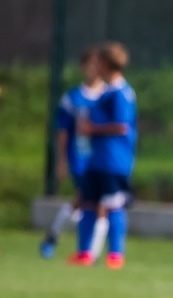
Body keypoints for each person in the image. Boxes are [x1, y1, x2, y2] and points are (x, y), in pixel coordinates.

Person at [70, 41, 135, 269]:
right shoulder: (107, 92)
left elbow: (121, 126)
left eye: (98, 62)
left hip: (113, 161)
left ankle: (116, 254)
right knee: (88, 203)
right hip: (96, 159)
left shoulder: (121, 93)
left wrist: (91, 129)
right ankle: (84, 252)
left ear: (106, 64)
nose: (94, 66)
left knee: (114, 205)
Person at [41, 47, 107, 260]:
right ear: (83, 67)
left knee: (86, 202)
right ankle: (90, 253)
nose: (94, 69)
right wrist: (61, 160)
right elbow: (63, 131)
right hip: (80, 158)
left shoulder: (110, 95)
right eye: (90, 64)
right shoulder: (72, 98)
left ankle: (54, 235)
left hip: (103, 159)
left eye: (99, 65)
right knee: (94, 202)